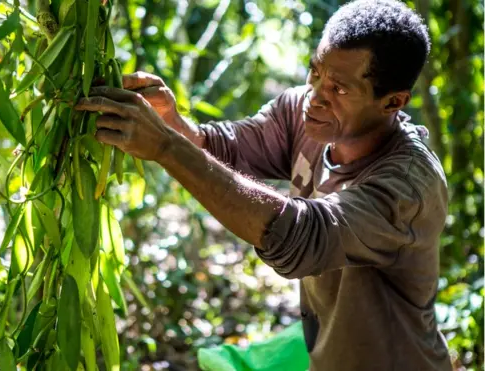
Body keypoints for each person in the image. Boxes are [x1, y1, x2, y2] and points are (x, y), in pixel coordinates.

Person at [75, 0, 452, 369]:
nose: (316, 96)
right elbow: (227, 150)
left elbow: (301, 237)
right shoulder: (305, 115)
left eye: (339, 89)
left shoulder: (407, 187)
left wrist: (165, 146)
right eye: (315, 72)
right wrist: (174, 124)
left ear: (393, 102)